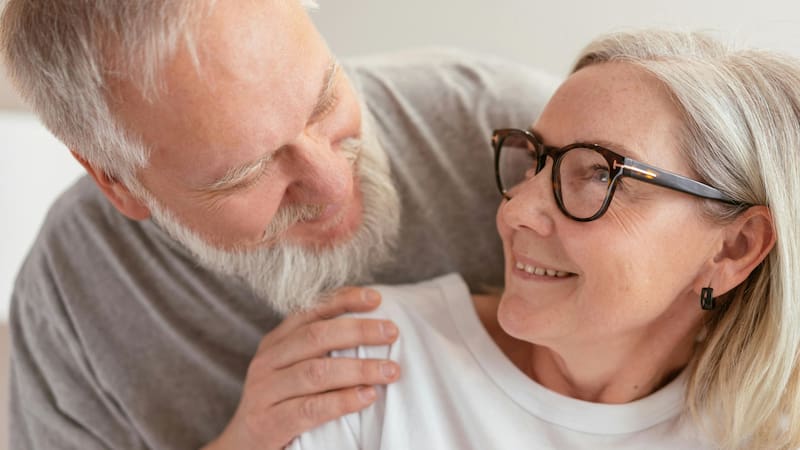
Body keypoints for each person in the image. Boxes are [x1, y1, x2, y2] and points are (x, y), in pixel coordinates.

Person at [0, 1, 557, 449]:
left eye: (324, 100)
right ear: (116, 182)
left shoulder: (519, 138)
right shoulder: (68, 303)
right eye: (248, 172)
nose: (336, 185)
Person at [290, 29, 800, 449]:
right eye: (535, 160)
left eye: (601, 174)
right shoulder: (370, 362)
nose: (516, 211)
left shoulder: (762, 435)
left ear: (734, 249)